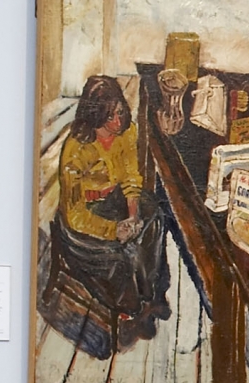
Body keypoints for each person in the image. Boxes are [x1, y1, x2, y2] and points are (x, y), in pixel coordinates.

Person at [53, 74, 169, 353]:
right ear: (94, 116)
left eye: (120, 112)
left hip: (114, 199)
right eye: (109, 117)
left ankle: (150, 293)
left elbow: (130, 176)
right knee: (121, 253)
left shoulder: (126, 131)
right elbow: (75, 215)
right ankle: (129, 310)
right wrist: (113, 230)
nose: (118, 122)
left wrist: (132, 214)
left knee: (154, 218)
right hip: (84, 217)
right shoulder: (75, 150)